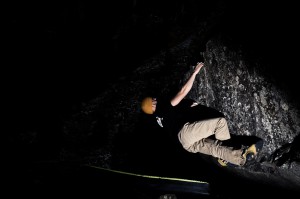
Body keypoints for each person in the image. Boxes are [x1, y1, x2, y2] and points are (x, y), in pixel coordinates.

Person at [140, 62, 262, 167]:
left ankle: (237, 159)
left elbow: (177, 115)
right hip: (187, 132)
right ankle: (231, 145)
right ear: (152, 104)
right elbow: (182, 92)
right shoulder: (162, 107)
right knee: (220, 123)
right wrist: (194, 73)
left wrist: (190, 106)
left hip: (186, 144)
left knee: (215, 148)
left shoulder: (159, 119)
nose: (156, 99)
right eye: (154, 99)